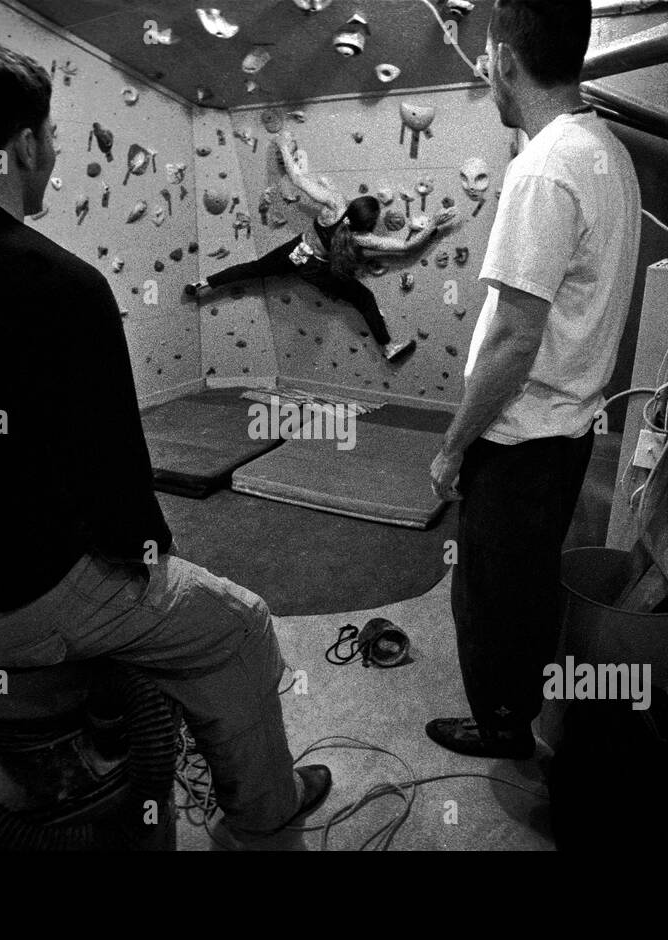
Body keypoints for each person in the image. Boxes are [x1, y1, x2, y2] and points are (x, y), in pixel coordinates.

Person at [0, 32, 331, 841]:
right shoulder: (64, 285)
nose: (53, 152)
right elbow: (121, 493)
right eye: (49, 135)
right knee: (238, 625)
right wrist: (153, 582)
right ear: (20, 146)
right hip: (35, 596)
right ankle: (262, 821)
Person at [425, 0, 641, 758]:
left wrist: (453, 446)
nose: (485, 70)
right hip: (568, 430)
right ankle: (523, 706)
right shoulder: (605, 151)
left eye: (485, 56)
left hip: (521, 440)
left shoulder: (543, 168)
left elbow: (516, 340)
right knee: (523, 585)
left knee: (489, 598)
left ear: (504, 58)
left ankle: (504, 727)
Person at [185, 130, 458, 363]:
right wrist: (434, 222)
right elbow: (406, 247)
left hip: (296, 252)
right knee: (364, 298)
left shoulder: (335, 203)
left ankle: (204, 283)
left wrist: (281, 143)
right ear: (370, 224)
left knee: (253, 269)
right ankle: (387, 347)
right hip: (319, 270)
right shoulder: (362, 239)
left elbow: (298, 179)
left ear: (352, 204)